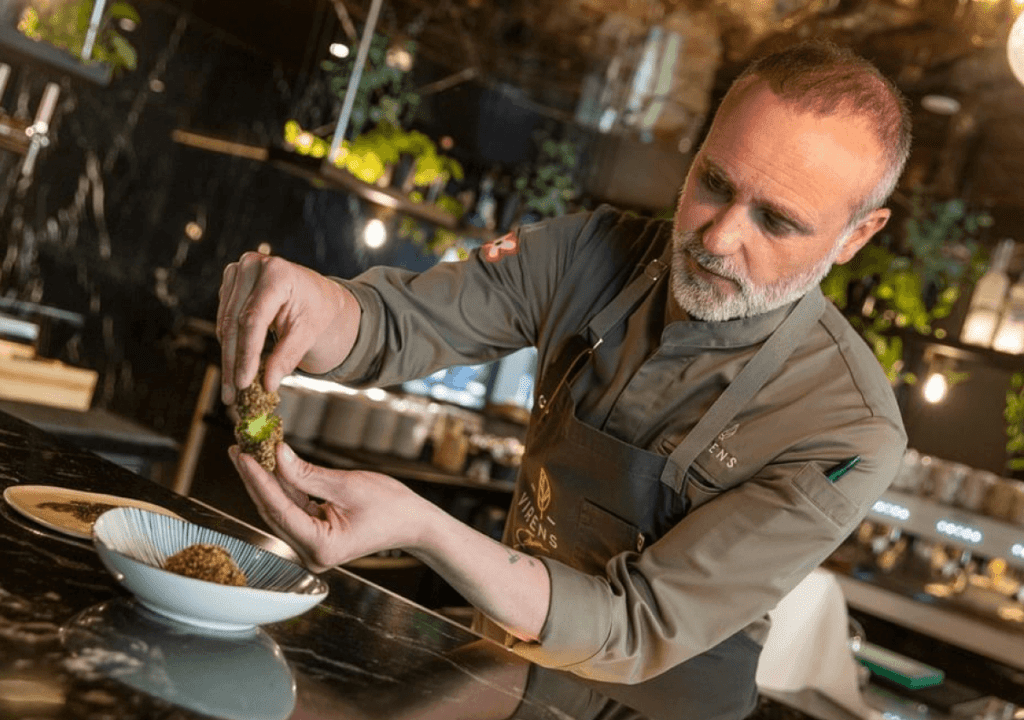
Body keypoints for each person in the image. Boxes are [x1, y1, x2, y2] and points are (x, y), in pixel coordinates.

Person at [217, 40, 911, 713]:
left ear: (857, 235)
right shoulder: (589, 250)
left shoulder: (848, 428)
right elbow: (397, 324)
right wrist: (317, 303)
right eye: (715, 183)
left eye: (777, 221)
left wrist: (421, 526)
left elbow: (635, 626)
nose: (719, 237)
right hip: (507, 664)